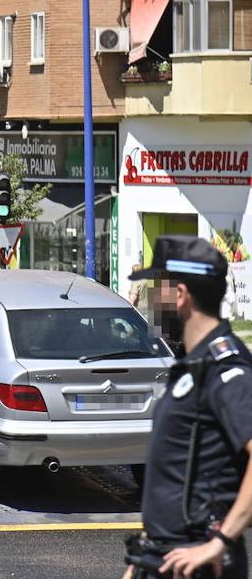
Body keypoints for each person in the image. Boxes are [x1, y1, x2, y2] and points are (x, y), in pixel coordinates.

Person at [123, 236, 252, 579]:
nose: (151, 301)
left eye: (156, 289)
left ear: (180, 295)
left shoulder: (226, 368)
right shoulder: (192, 365)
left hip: (199, 562)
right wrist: (140, 561)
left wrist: (221, 540)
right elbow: (177, 473)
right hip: (162, 559)